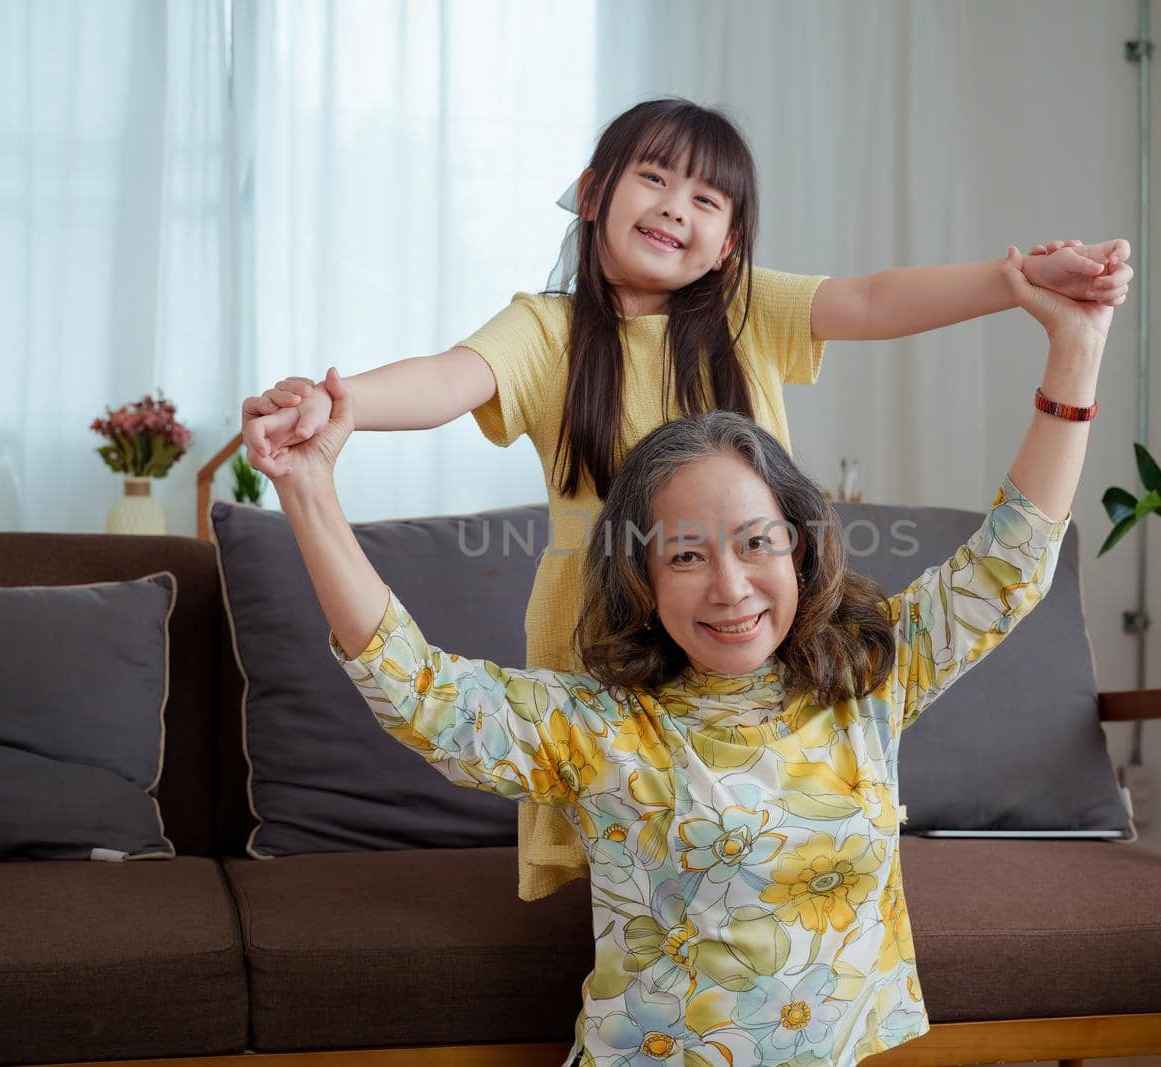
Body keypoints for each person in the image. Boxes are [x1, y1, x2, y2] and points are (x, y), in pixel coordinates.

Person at [241, 97, 1131, 901]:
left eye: (708, 199)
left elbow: (870, 297)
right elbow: (445, 379)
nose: (675, 205)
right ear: (592, 192)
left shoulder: (746, 311)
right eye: (654, 178)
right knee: (643, 846)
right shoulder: (549, 330)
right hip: (607, 635)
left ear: (733, 241)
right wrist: (338, 402)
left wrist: (1012, 285)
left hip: (747, 637)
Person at [263, 240, 1113, 1066]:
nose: (731, 586)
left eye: (755, 543)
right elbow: (418, 690)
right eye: (686, 555)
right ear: (645, 581)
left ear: (800, 548)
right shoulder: (600, 727)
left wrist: (1075, 344)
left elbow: (1010, 563)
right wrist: (307, 490)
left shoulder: (867, 677)